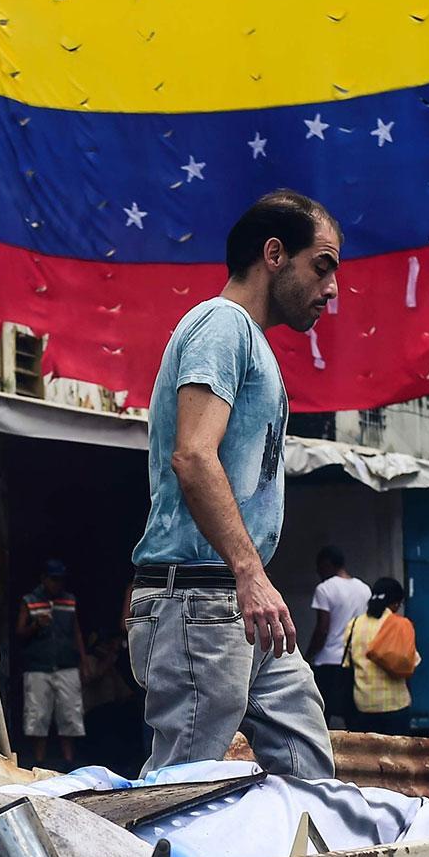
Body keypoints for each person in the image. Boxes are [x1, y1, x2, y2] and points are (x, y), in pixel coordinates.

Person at [127, 190, 340, 779]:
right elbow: (193, 456)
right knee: (181, 790)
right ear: (275, 254)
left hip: (241, 605)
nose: (332, 290)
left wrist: (252, 581)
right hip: (201, 600)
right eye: (322, 266)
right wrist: (250, 573)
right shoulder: (221, 325)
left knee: (310, 776)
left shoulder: (252, 342)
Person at [16, 559, 86, 765]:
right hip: (38, 667)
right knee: (37, 716)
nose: (57, 584)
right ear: (44, 579)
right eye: (53, 580)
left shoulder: (69, 601)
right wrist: (36, 624)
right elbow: (20, 633)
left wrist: (83, 661)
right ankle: (38, 762)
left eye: (60, 580)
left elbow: (77, 632)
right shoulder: (29, 601)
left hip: (66, 665)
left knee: (70, 716)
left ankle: (68, 761)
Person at [344, 577, 418, 735]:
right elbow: (412, 661)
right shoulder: (399, 624)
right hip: (395, 705)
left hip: (363, 705)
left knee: (367, 757)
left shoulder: (354, 624)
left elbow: (347, 663)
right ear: (395, 603)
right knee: (397, 757)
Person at [308, 546, 371, 730]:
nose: (318, 572)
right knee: (352, 716)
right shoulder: (364, 589)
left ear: (327, 564)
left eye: (319, 568)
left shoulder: (324, 589)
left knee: (321, 716)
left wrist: (308, 655)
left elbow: (322, 629)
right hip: (354, 661)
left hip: (328, 661)